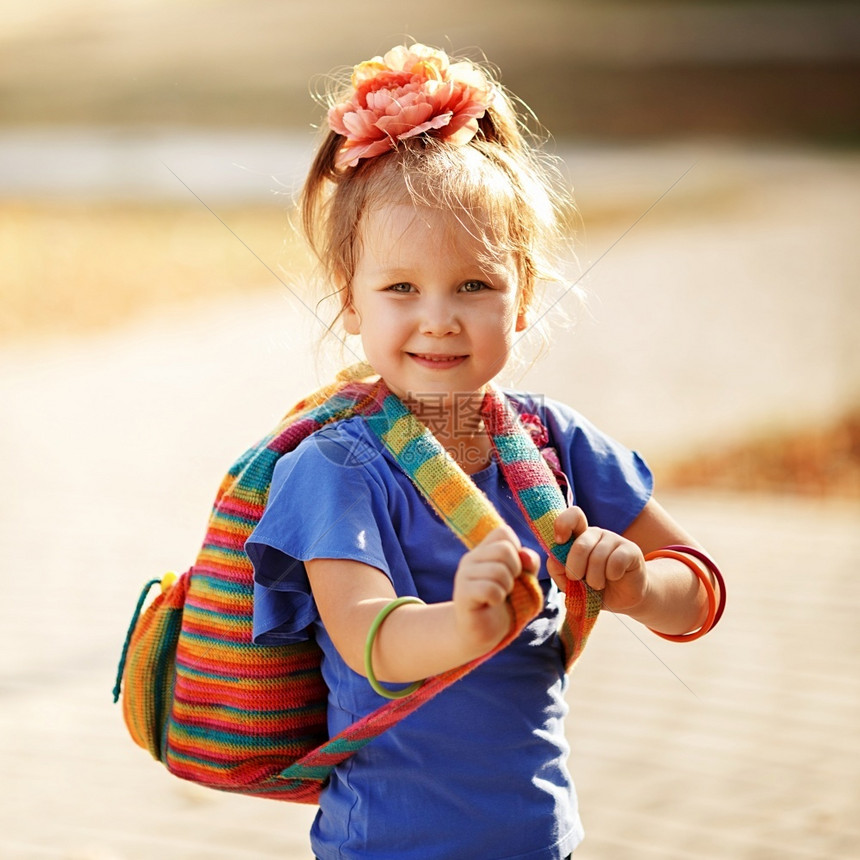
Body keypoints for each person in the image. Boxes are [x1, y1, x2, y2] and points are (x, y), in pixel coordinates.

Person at [246, 43, 722, 860]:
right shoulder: (334, 469)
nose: (438, 317)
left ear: (524, 294)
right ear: (349, 298)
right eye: (401, 288)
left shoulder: (557, 445)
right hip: (384, 846)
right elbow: (374, 641)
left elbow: (699, 592)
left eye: (474, 285)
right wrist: (467, 621)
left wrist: (641, 584)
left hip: (541, 840)